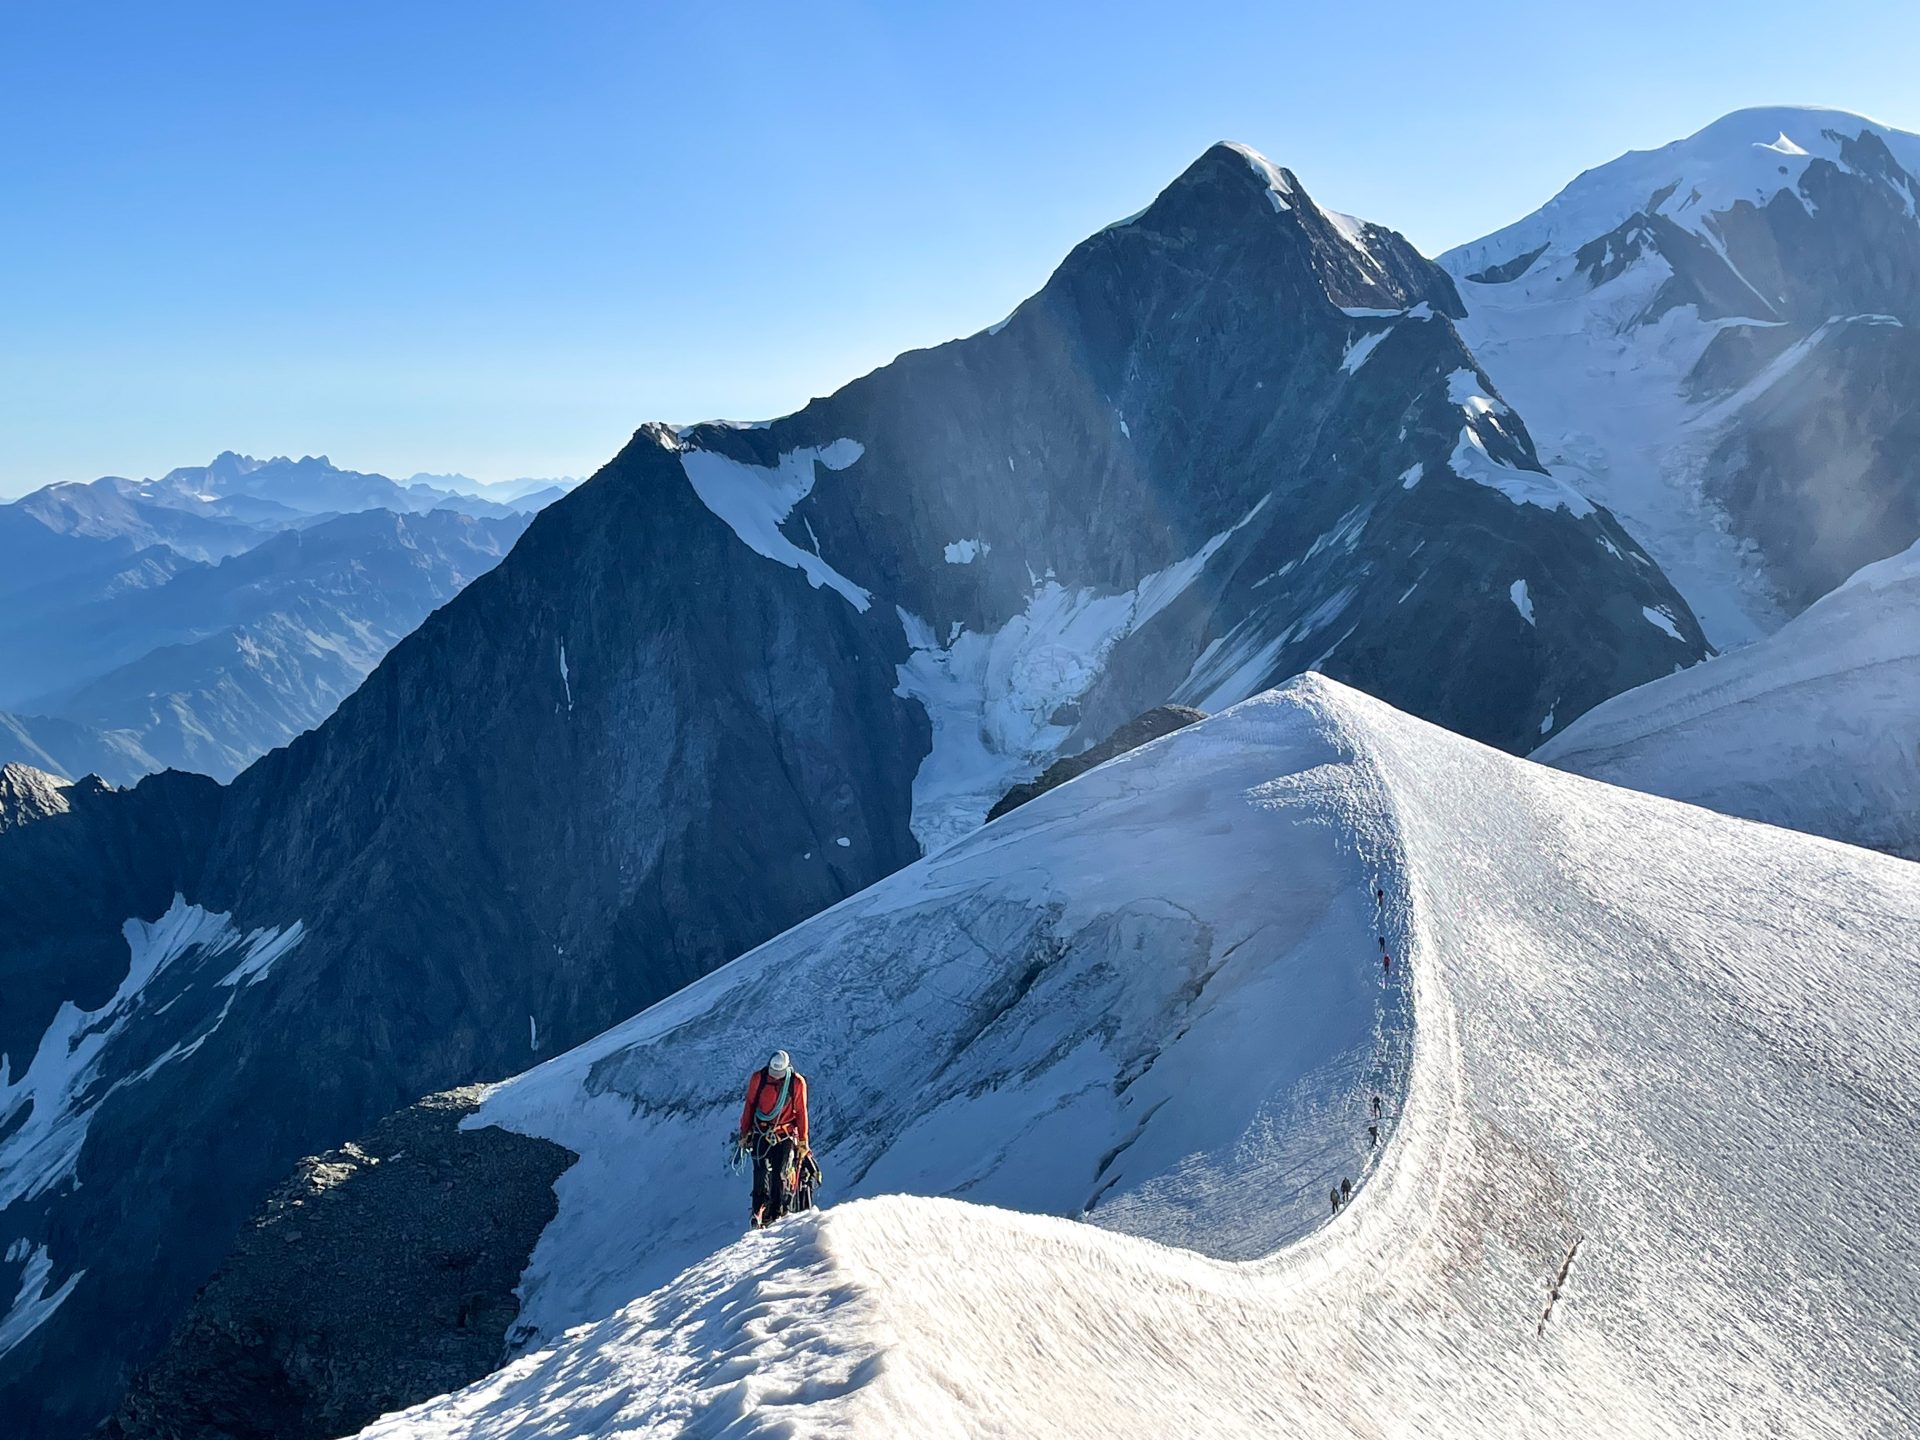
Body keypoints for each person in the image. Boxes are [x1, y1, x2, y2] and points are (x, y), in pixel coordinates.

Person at [737, 1049, 810, 1228]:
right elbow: (750, 1105)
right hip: (761, 1132)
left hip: (783, 1135)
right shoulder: (759, 1079)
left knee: (779, 1174)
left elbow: (801, 1112)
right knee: (760, 1173)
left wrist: (803, 1140)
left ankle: (777, 1211)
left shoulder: (796, 1083)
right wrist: (745, 1132)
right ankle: (759, 1211)